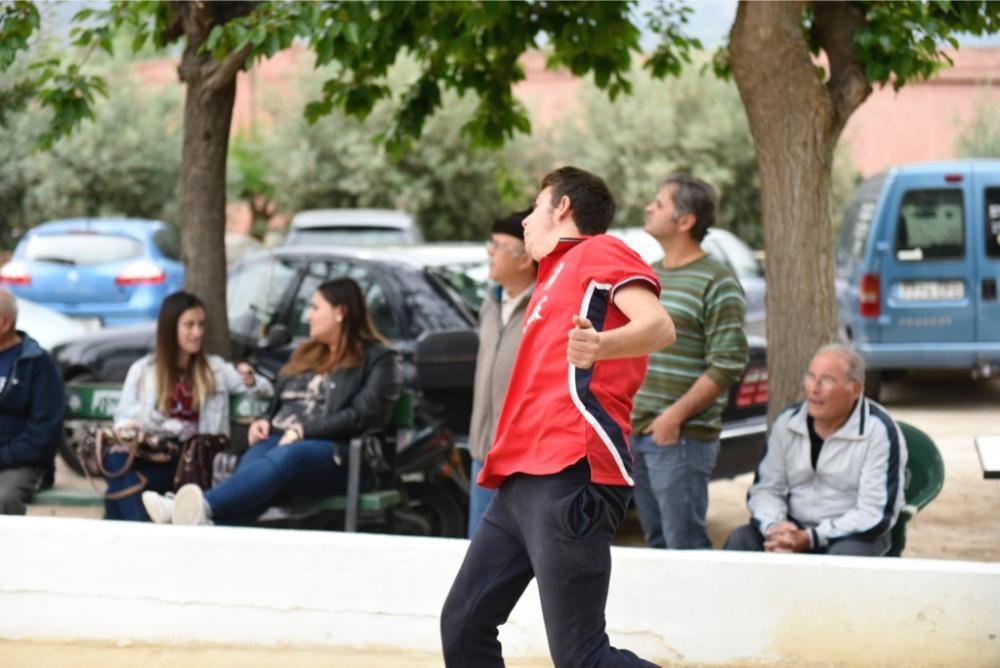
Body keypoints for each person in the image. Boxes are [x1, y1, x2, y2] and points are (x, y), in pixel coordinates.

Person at [441, 166, 676, 667]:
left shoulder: (598, 251)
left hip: (571, 471)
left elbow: (659, 327)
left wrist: (601, 345)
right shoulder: (549, 278)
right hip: (520, 479)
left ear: (562, 207)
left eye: (535, 204)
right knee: (463, 625)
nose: (526, 219)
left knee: (581, 657)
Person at [142, 277, 402, 526]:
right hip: (283, 444)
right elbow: (282, 403)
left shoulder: (378, 358)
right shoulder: (306, 354)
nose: (307, 315)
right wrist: (264, 420)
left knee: (288, 456)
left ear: (340, 312)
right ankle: (208, 525)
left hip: (339, 455)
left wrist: (303, 431)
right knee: (256, 464)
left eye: (314, 308)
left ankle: (201, 505)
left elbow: (362, 415)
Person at [630, 175, 748, 549]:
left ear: (686, 221)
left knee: (685, 545)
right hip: (637, 432)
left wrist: (673, 419)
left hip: (679, 437)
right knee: (657, 542)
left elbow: (728, 363)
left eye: (660, 203)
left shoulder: (718, 281)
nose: (649, 207)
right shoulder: (648, 274)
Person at [724, 343, 907, 556]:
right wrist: (775, 528)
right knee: (740, 541)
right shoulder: (787, 423)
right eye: (811, 377)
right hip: (794, 527)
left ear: (855, 389)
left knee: (843, 558)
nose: (814, 388)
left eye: (827, 380)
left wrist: (811, 538)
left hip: (853, 534)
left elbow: (873, 513)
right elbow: (766, 489)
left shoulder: (878, 431)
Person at [108, 291, 271, 522]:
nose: (197, 333)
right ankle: (145, 528)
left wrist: (251, 380)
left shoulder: (215, 369)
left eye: (201, 325)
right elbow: (123, 418)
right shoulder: (144, 370)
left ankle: (141, 534)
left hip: (195, 463)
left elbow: (265, 389)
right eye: (189, 325)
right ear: (170, 327)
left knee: (117, 491)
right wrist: (133, 430)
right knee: (116, 463)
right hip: (157, 453)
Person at [467, 208, 537, 537]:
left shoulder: (542, 308)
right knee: (479, 553)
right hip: (483, 454)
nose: (488, 252)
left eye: (497, 245)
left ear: (525, 260)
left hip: (523, 460)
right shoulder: (490, 302)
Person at [0, 289, 64, 515]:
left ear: (4, 322)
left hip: (21, 464)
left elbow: (44, 434)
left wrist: (4, 456)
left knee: (3, 498)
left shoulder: (38, 364)